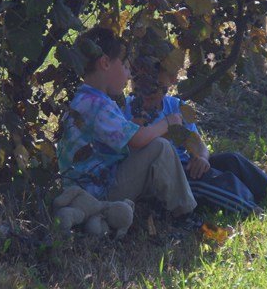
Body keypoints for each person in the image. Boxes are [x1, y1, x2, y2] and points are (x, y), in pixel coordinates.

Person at [56, 27, 198, 226]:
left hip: (82, 189)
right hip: (100, 191)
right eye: (125, 66)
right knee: (160, 148)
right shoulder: (99, 105)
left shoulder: (83, 99)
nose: (129, 75)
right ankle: (185, 212)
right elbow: (138, 140)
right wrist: (167, 123)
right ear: (105, 63)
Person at [124, 67, 267, 217]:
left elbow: (197, 142)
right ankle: (252, 212)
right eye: (140, 85)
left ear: (169, 82)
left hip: (185, 165)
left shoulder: (175, 106)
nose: (147, 94)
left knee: (232, 159)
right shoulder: (127, 109)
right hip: (166, 177)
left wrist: (202, 158)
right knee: (207, 181)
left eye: (155, 87)